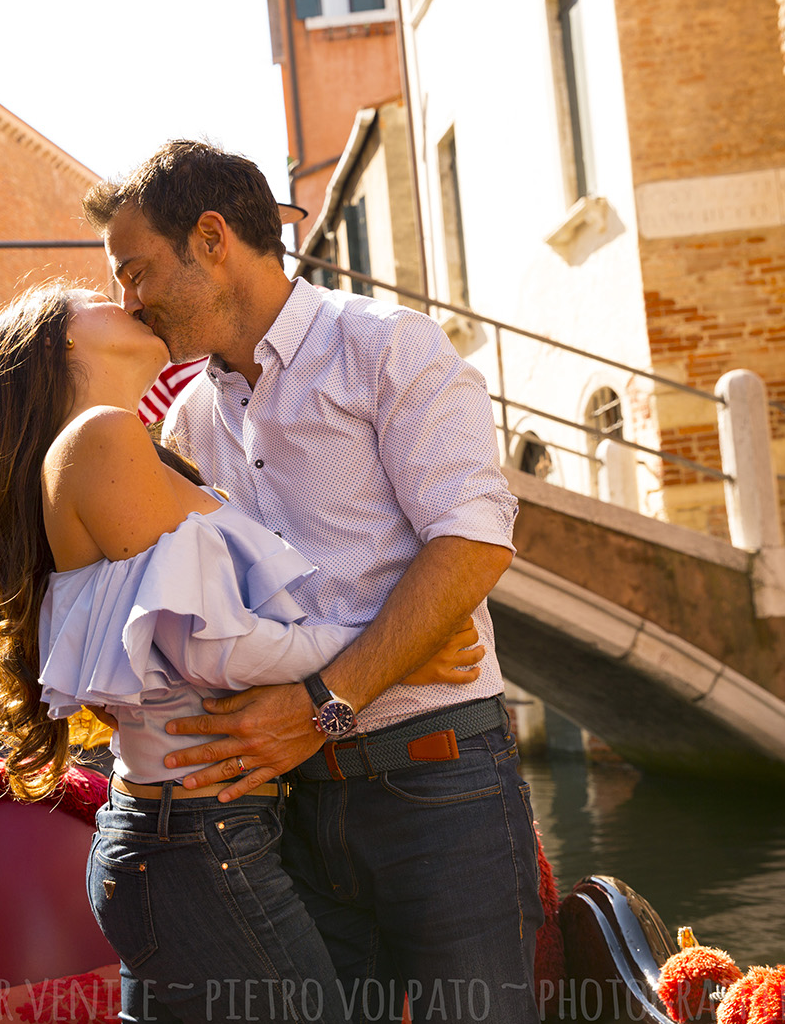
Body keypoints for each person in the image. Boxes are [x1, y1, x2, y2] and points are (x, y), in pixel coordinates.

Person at [0, 282, 488, 1024]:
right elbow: (213, 647)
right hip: (194, 843)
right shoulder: (98, 439)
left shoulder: (129, 447)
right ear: (59, 343)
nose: (125, 293)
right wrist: (393, 653)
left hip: (184, 837)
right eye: (98, 293)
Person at [83, 140, 545, 1023]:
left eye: (135, 272)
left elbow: (474, 543)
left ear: (211, 239)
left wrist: (323, 702)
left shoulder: (384, 347)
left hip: (442, 789)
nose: (126, 300)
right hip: (290, 807)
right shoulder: (186, 416)